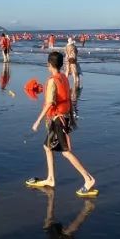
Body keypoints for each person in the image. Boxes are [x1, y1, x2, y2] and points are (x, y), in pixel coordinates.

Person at [27, 51, 97, 196]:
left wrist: (37, 121)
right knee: (47, 147)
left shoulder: (53, 81)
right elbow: (68, 99)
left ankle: (88, 179)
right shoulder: (64, 77)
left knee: (66, 152)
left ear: (49, 64)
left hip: (58, 120)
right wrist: (71, 117)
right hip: (62, 118)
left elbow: (49, 103)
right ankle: (51, 178)